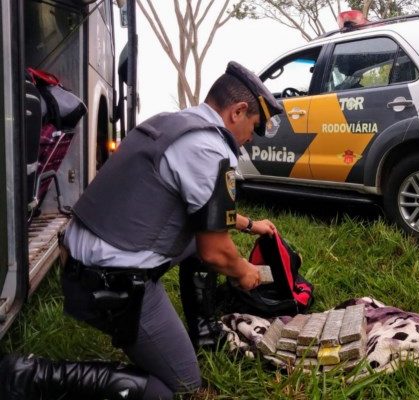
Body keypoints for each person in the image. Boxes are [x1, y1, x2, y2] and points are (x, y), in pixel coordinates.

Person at [0, 61, 283, 399]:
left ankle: (204, 333)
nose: (250, 138)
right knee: (179, 386)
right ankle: (29, 376)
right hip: (109, 282)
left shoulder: (173, 123)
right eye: (253, 126)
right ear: (237, 111)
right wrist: (244, 271)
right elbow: (215, 251)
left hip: (82, 259)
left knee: (195, 244)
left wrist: (250, 225)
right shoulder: (212, 147)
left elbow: (208, 210)